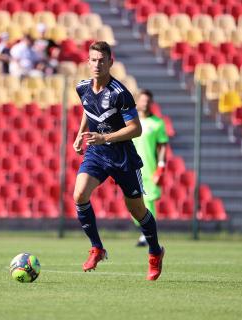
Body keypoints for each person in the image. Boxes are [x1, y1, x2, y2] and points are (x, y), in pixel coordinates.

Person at [72, 41, 165, 281]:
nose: (97, 64)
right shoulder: (82, 87)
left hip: (122, 157)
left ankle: (155, 252)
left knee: (137, 210)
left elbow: (135, 129)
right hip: (97, 153)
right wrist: (80, 135)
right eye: (93, 59)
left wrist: (105, 137)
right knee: (79, 195)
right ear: (88, 62)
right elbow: (87, 109)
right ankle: (97, 248)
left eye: (102, 60)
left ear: (110, 62)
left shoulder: (120, 93)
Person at [132, 89, 169, 247]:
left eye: (148, 101)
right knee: (133, 203)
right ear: (137, 102)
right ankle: (144, 231)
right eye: (143, 100)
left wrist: (161, 166)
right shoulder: (129, 122)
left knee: (149, 203)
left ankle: (147, 235)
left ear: (151, 103)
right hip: (131, 168)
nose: (145, 104)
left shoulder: (158, 123)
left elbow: (162, 146)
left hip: (149, 169)